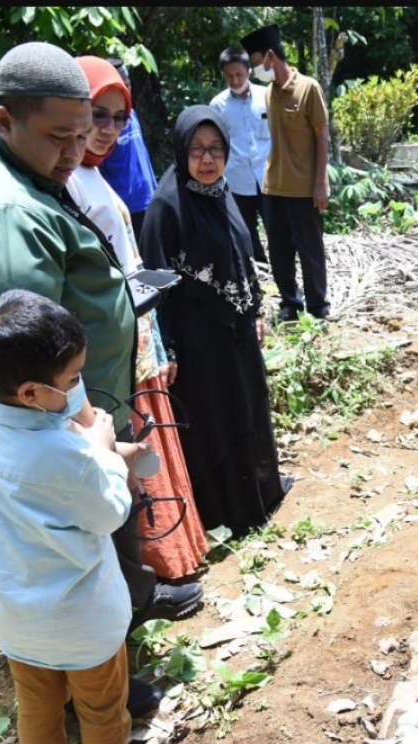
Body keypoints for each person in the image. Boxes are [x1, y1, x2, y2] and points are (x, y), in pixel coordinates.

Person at [0, 41, 201, 716]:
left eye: (85, 135)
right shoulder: (4, 212)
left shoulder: (4, 156)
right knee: (71, 531)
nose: (75, 153)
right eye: (59, 137)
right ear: (5, 117)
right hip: (50, 407)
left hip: (72, 391)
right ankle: (93, 677)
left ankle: (130, 600)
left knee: (105, 517)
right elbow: (31, 357)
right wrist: (87, 439)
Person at [0, 288, 180, 744]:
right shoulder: (65, 453)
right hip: (83, 620)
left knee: (38, 711)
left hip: (18, 620)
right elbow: (109, 512)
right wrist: (103, 457)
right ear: (30, 392)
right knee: (102, 712)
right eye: (72, 380)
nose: (78, 389)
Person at [69, 55, 210, 581]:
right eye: (95, 116)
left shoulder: (94, 177)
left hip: (138, 324)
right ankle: (153, 567)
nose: (105, 131)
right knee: (132, 436)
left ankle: (174, 555)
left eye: (116, 119)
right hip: (114, 336)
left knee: (151, 429)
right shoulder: (69, 184)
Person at [138, 106, 291, 538]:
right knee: (215, 420)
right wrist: (168, 349)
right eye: (197, 150)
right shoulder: (167, 206)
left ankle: (259, 496)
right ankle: (226, 512)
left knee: (248, 409)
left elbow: (242, 256)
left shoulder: (223, 194)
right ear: (181, 151)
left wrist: (255, 308)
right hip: (198, 341)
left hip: (237, 333)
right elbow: (157, 281)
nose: (207, 160)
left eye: (216, 150)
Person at [240, 24, 331, 321]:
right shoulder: (269, 93)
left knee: (310, 250)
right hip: (273, 187)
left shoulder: (308, 89)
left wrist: (321, 183)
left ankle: (318, 305)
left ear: (270, 57)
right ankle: (290, 302)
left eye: (255, 61)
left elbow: (321, 136)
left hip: (304, 188)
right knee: (279, 252)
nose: (254, 68)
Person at [210, 47, 272, 267]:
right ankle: (259, 272)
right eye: (229, 75)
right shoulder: (217, 105)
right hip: (236, 180)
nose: (235, 80)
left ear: (249, 71)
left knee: (277, 229)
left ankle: (284, 274)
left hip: (269, 177)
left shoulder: (268, 96)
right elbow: (214, 144)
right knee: (245, 231)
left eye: (239, 74)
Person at [98, 56, 159, 238]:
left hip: (150, 200)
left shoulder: (130, 113)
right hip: (126, 208)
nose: (126, 91)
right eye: (120, 86)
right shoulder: (102, 126)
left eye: (128, 84)